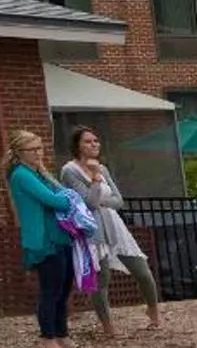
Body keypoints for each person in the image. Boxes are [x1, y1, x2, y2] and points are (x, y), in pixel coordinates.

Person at [59, 127, 161, 335]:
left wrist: (100, 194)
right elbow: (88, 201)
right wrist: (95, 178)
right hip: (91, 228)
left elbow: (118, 200)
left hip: (114, 224)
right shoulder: (70, 171)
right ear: (77, 145)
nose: (94, 144)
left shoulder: (103, 169)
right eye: (88, 141)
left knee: (141, 270)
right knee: (101, 277)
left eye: (96, 141)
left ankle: (153, 311)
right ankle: (107, 325)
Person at [5, 128, 82, 348]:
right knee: (51, 291)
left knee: (64, 288)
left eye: (40, 148)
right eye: (33, 149)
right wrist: (68, 200)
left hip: (61, 236)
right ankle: (47, 338)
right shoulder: (21, 174)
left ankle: (62, 334)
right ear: (20, 152)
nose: (39, 153)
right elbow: (56, 200)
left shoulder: (39, 173)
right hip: (43, 241)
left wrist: (68, 198)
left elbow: (65, 195)